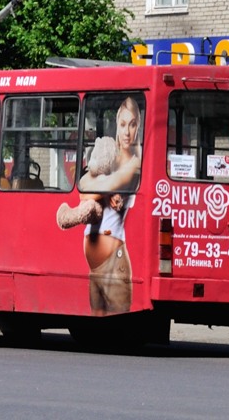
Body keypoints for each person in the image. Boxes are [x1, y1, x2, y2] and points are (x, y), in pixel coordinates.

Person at [56, 96, 143, 315]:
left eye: (132, 124)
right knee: (97, 328)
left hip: (115, 264)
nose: (126, 131)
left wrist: (102, 187)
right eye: (122, 124)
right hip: (95, 269)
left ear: (138, 127)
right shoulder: (108, 153)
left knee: (117, 325)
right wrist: (103, 189)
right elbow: (84, 183)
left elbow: (95, 186)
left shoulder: (134, 164)